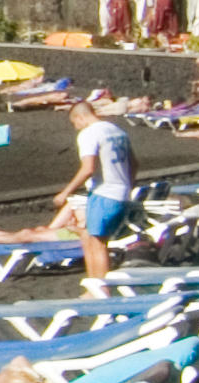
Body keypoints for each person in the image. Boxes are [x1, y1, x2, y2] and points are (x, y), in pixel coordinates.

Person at [51, 104, 139, 277]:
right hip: (121, 192)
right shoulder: (117, 131)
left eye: (74, 123)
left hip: (103, 192)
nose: (76, 128)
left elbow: (88, 168)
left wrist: (66, 192)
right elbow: (134, 164)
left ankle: (100, 288)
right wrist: (128, 186)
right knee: (89, 239)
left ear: (80, 118)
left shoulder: (89, 134)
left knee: (96, 243)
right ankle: (94, 287)